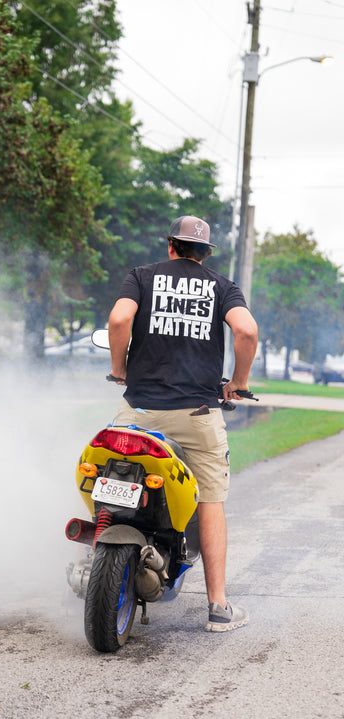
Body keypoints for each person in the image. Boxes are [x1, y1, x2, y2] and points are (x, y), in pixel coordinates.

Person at [108, 215, 258, 632]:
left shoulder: (141, 276)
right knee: (209, 499)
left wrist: (120, 369)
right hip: (197, 414)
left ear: (171, 246)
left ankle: (97, 561)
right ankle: (218, 607)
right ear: (205, 253)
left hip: (138, 412)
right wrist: (238, 383)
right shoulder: (223, 286)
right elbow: (246, 330)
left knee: (115, 471)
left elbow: (119, 322)